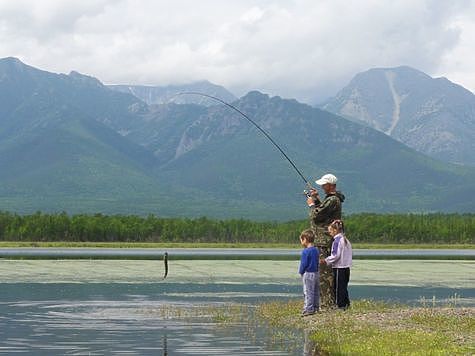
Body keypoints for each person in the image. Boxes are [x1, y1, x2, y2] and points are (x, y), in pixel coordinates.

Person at [306, 173, 345, 308]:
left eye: (324, 184)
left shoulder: (333, 200)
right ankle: (327, 303)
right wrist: (316, 199)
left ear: (330, 185)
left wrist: (311, 205)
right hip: (324, 240)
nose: (322, 186)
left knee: (325, 274)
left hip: (324, 240)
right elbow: (323, 212)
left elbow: (316, 216)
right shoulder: (331, 200)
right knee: (324, 273)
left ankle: (327, 304)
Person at [322, 219, 352, 310]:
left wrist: (325, 260)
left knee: (339, 288)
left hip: (339, 268)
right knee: (343, 287)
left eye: (330, 231)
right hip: (346, 267)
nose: (330, 233)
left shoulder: (337, 240)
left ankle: (340, 305)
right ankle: (346, 304)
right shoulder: (345, 240)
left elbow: (335, 255)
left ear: (335, 230)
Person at [298, 229, 320, 316]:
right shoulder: (316, 250)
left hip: (308, 273)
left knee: (308, 292)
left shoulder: (305, 251)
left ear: (305, 239)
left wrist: (301, 272)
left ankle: (309, 309)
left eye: (301, 240)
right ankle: (316, 307)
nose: (301, 242)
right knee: (315, 291)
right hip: (316, 273)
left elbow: (304, 264)